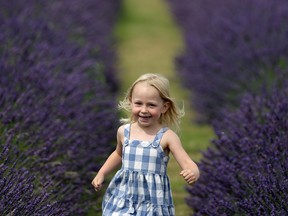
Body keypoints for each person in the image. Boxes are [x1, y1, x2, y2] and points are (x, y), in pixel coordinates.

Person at [91, 73, 200, 215]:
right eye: (138, 103)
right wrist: (102, 173)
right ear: (131, 102)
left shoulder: (167, 137)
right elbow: (118, 154)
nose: (144, 110)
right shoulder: (124, 132)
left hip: (152, 201)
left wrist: (193, 172)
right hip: (125, 196)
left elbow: (186, 161)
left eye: (151, 105)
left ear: (164, 107)